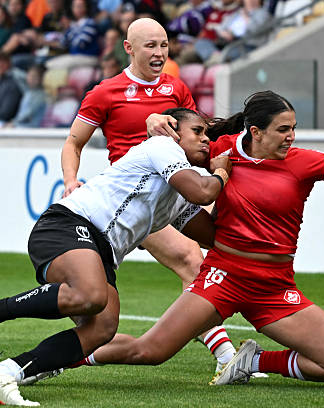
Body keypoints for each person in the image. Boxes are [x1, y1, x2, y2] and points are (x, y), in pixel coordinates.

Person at [60, 90, 324, 387]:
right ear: (255, 132)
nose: (291, 137)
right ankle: (56, 360)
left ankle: (251, 361)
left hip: (274, 286)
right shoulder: (220, 151)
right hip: (223, 275)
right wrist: (154, 118)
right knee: (150, 350)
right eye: (283, 129)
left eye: (293, 128)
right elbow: (177, 136)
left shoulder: (301, 162)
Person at [0, 107, 232, 406]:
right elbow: (203, 192)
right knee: (91, 295)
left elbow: (212, 236)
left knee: (102, 328)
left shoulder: (179, 193)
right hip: (67, 224)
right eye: (197, 132)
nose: (205, 140)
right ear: (172, 129)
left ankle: (5, 373)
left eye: (208, 135)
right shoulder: (162, 146)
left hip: (100, 251)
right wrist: (223, 170)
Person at [62, 17, 238, 371]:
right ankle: (227, 357)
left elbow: (196, 136)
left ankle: (72, 354)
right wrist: (71, 180)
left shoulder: (176, 88)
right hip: (135, 198)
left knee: (218, 249)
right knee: (193, 261)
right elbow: (73, 141)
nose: (159, 53)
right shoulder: (105, 92)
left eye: (164, 45)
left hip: (173, 193)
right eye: (150, 46)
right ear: (129, 48)